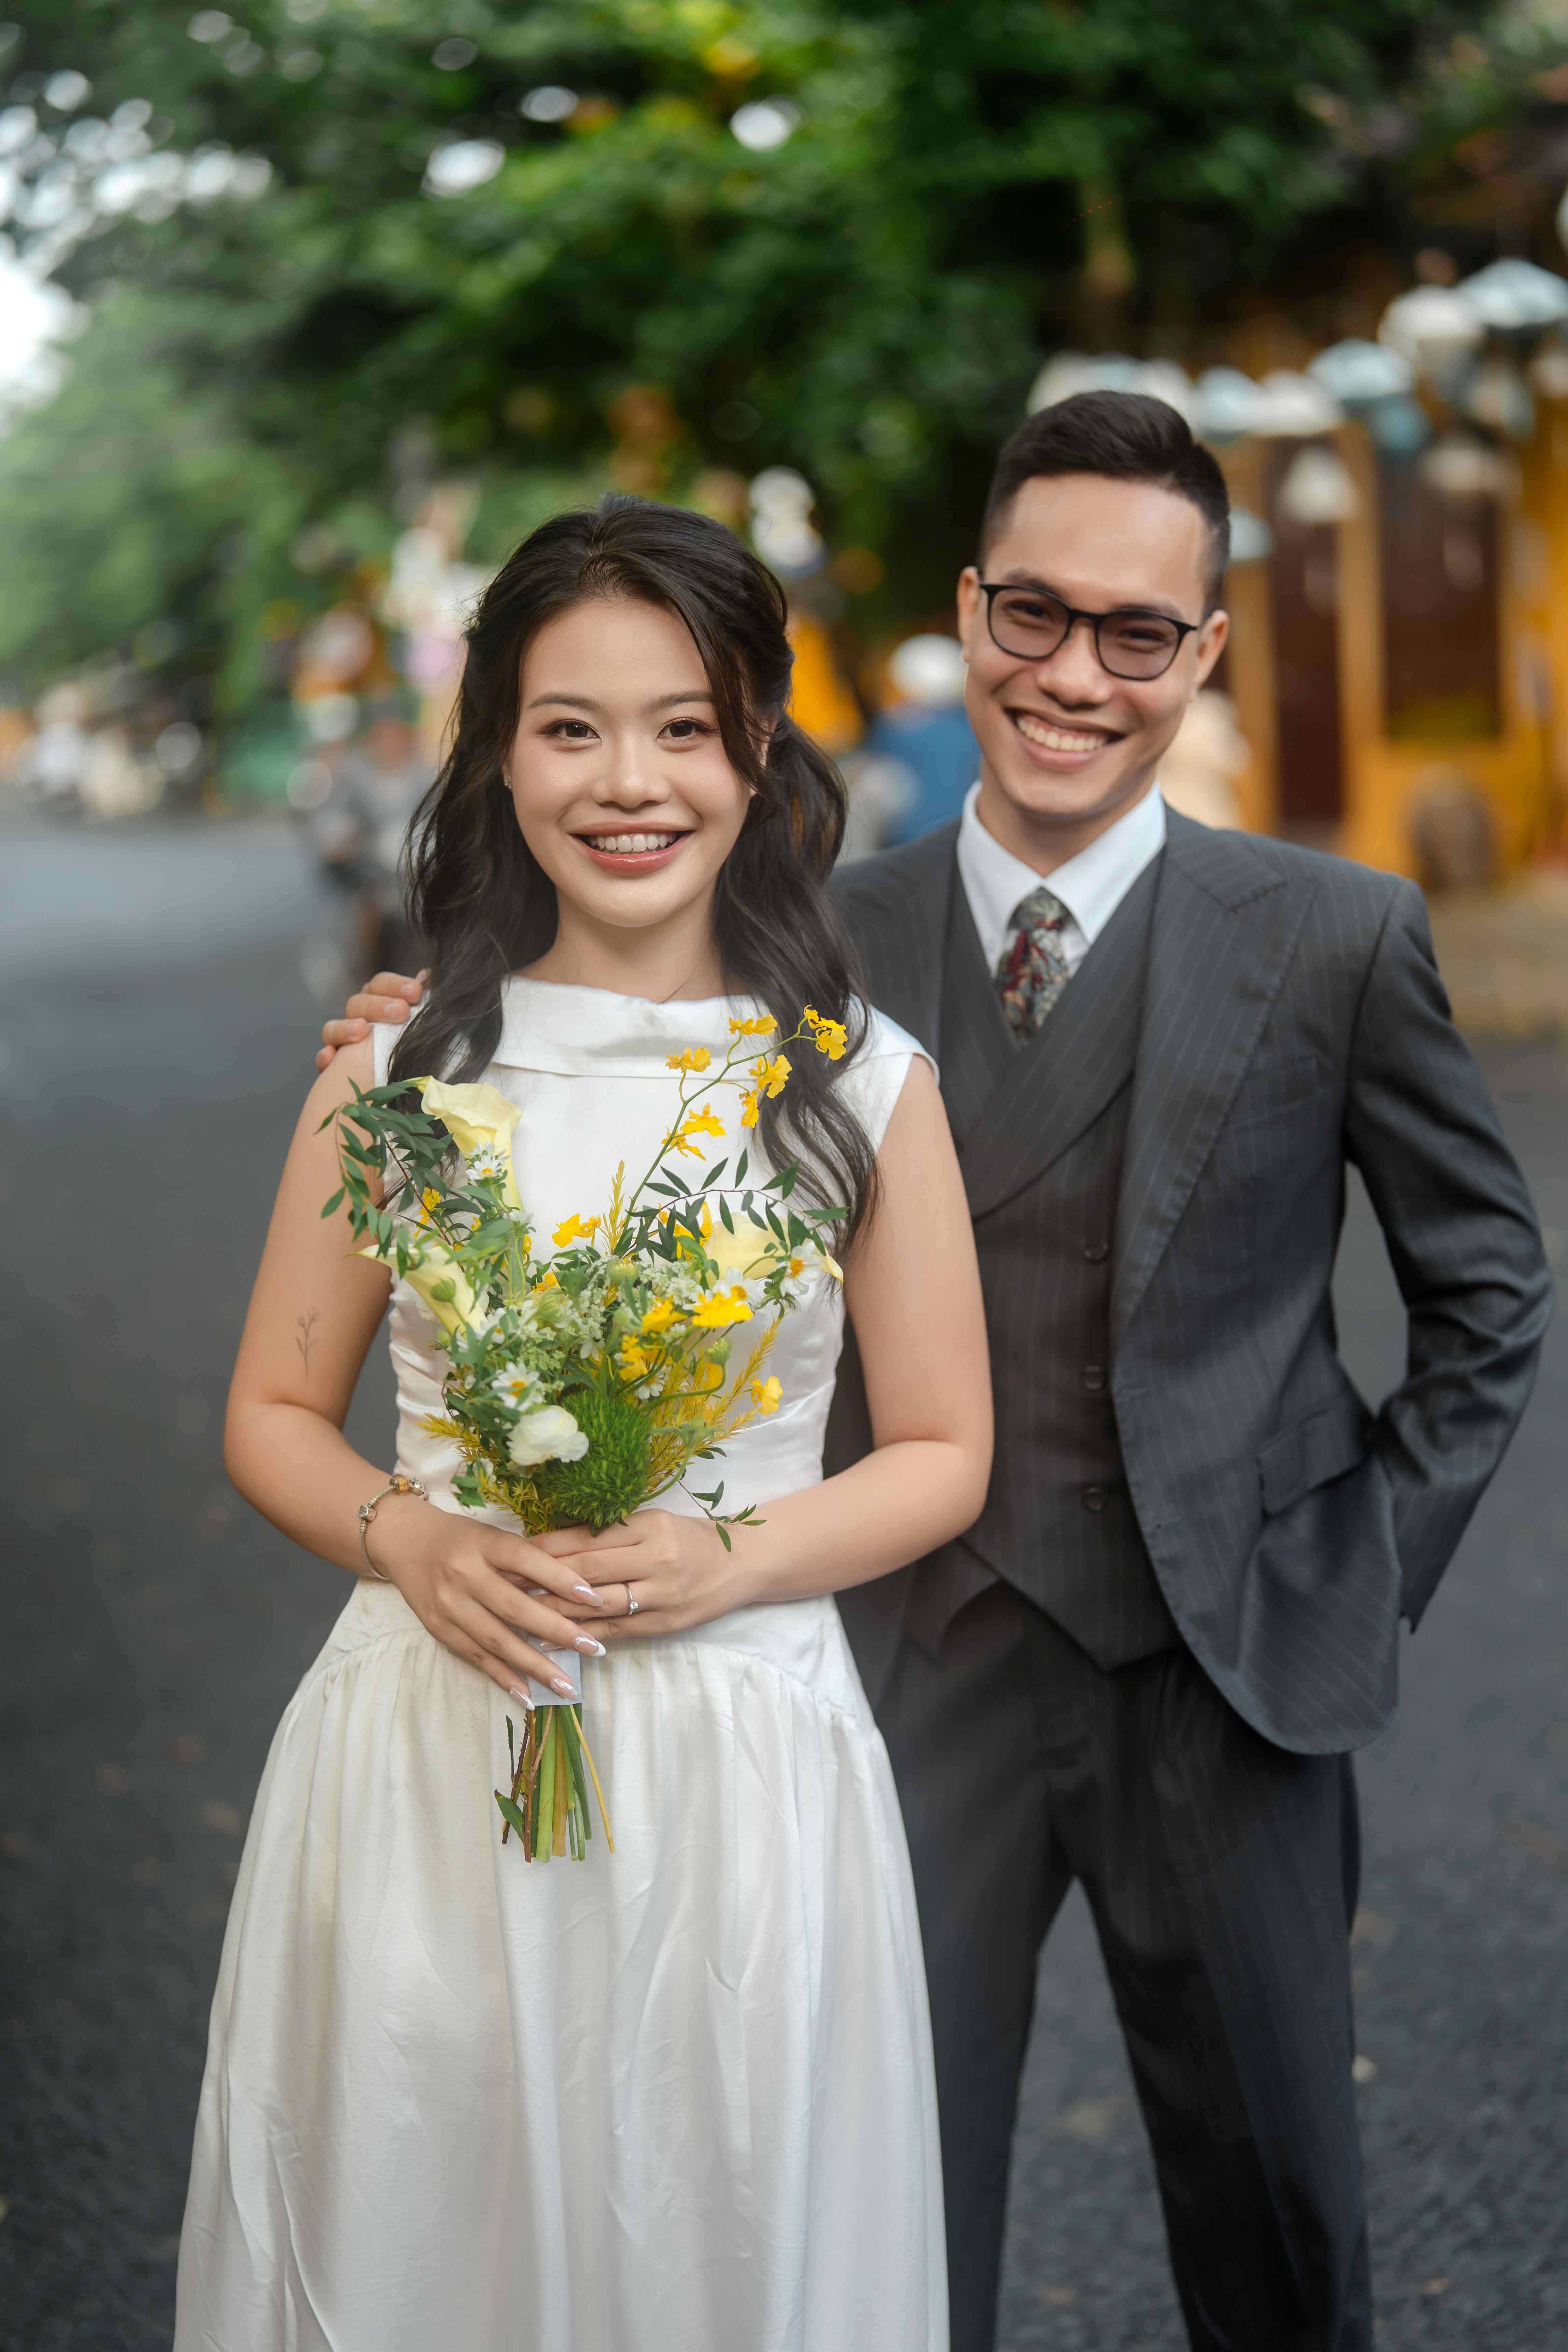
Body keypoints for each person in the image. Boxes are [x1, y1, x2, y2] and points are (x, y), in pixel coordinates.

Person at [321, 392, 1553, 2352]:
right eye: (1033, 616)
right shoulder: (803, 944)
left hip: (1222, 1684)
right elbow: (578, 1037)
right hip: (892, 1677)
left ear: (1202, 654)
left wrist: (1351, 1569)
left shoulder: (1334, 936)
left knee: (1282, 2238)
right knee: (867, 2227)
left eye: (1134, 633)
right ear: (972, 611)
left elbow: (1489, 1292)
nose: (1072, 675)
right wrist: (422, 1023)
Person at [178, 495, 992, 2352]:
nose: (631, 781)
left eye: (684, 726)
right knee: (421, 2223)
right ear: (496, 755)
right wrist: (419, 1537)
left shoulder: (856, 1083)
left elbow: (945, 1448)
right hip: (428, 1741)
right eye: (569, 727)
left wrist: (736, 1552)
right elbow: (274, 1411)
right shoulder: (394, 1073)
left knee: (718, 2235)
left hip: (743, 1751)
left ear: (758, 754)